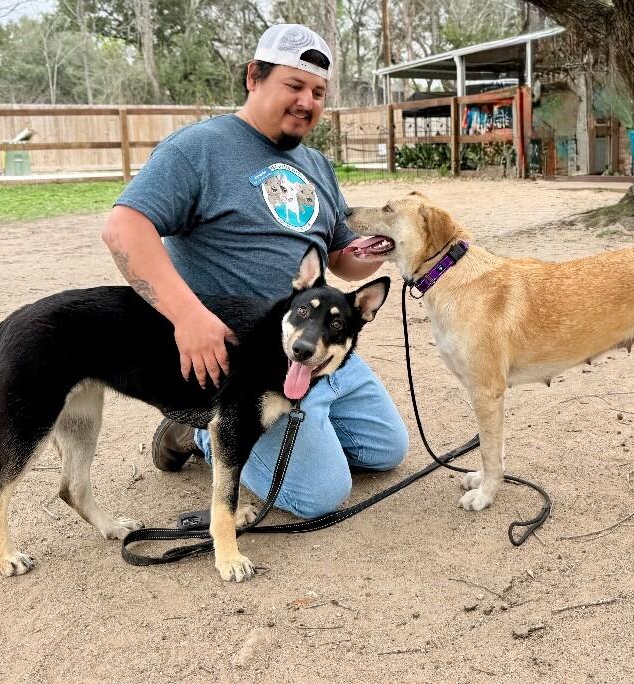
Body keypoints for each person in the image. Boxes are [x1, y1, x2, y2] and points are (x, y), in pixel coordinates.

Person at [102, 24, 408, 519]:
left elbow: (342, 260)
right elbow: (123, 229)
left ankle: (307, 420)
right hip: (252, 362)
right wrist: (187, 318)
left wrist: (389, 247)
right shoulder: (198, 148)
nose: (307, 102)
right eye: (294, 86)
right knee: (320, 496)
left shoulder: (317, 166)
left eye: (318, 92)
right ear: (254, 76)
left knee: (385, 452)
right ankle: (204, 430)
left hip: (321, 346)